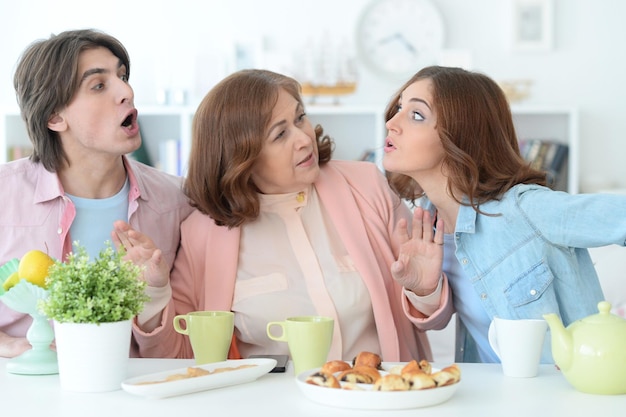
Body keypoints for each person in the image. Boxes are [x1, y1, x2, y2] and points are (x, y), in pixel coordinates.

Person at [138, 69, 453, 363]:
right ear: (241, 158)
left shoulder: (367, 186)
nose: (304, 138)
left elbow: (432, 320)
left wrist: (425, 290)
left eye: (300, 118)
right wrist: (152, 297)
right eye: (280, 135)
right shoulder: (202, 234)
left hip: (377, 395)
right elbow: (177, 356)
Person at [382, 65, 626, 363]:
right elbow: (438, 320)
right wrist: (425, 290)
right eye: (398, 108)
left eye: (416, 115)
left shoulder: (526, 209)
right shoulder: (430, 223)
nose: (391, 122)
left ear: (460, 135)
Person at [0, 29, 193, 358]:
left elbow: (173, 356)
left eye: (121, 76)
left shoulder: (176, 202)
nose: (127, 91)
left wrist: (154, 295)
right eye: (99, 85)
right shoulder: (5, 194)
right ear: (54, 116)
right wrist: (11, 346)